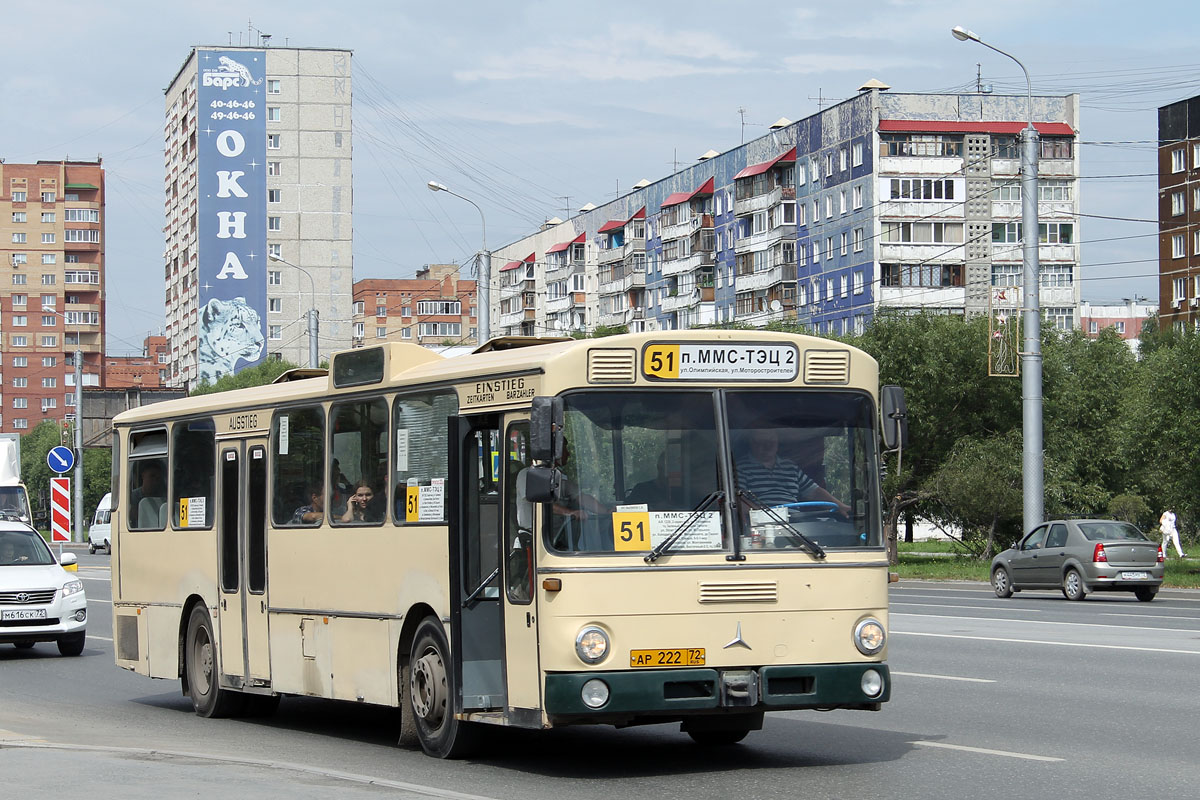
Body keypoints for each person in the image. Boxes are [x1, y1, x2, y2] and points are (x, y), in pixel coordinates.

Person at [736, 429, 850, 517]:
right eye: (761, 442)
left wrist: (840, 506)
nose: (768, 446)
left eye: (771, 441)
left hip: (795, 524)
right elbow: (741, 502)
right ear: (751, 443)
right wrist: (765, 516)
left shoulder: (789, 466)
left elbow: (814, 491)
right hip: (762, 528)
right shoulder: (741, 468)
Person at [130, 461, 165, 528]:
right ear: (143, 475)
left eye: (158, 478)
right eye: (152, 476)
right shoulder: (133, 496)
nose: (155, 480)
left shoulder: (163, 497)